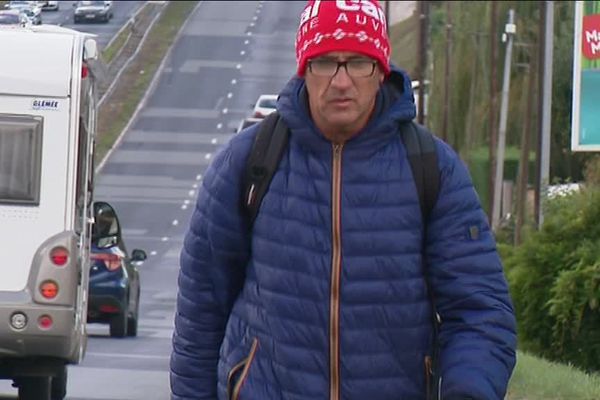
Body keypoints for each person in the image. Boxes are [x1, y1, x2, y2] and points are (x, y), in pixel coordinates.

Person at [170, 1, 517, 399]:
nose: (340, 80)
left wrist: (467, 390)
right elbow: (200, 311)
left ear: (380, 71)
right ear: (304, 69)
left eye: (357, 62)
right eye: (325, 62)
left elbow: (480, 311)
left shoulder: (432, 169)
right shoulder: (248, 163)